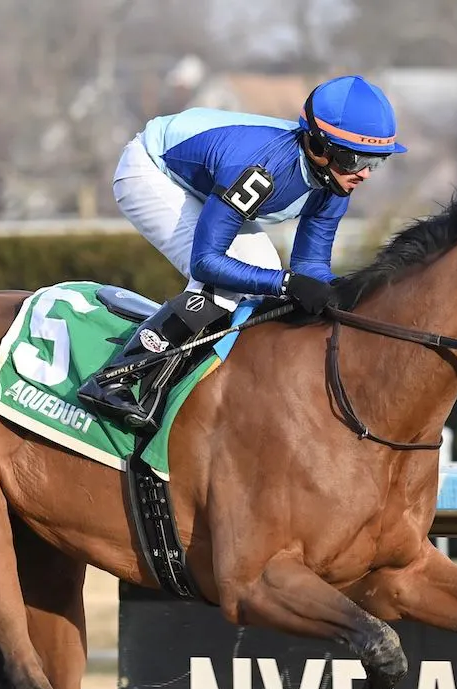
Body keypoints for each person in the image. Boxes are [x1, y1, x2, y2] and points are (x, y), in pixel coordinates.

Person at [77, 74, 407, 430]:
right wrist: (286, 283)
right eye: (354, 159)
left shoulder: (334, 184)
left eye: (376, 162)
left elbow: (310, 266)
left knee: (264, 268)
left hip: (207, 178)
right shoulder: (262, 170)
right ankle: (115, 378)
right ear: (318, 148)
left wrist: (346, 293)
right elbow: (205, 263)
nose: (364, 174)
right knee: (229, 283)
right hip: (150, 170)